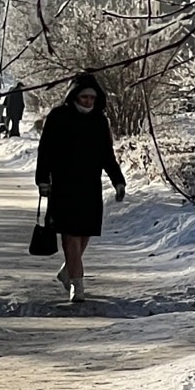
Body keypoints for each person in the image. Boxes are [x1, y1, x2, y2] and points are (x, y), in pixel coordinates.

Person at [34, 73, 124, 303]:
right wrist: (43, 179)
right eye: (84, 97)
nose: (88, 101)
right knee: (70, 234)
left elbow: (107, 154)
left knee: (84, 233)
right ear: (74, 96)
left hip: (89, 184)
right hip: (63, 185)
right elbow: (45, 150)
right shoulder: (58, 117)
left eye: (92, 98)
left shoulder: (99, 120)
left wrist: (118, 180)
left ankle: (68, 270)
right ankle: (77, 284)